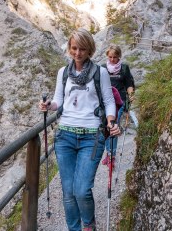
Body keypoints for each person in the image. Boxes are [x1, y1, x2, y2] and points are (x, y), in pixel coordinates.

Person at [39, 28, 121, 231]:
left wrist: (111, 121)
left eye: (82, 49)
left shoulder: (100, 72)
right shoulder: (63, 72)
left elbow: (109, 101)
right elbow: (59, 100)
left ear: (90, 50)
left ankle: (88, 225)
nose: (77, 53)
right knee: (68, 191)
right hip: (65, 135)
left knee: (82, 190)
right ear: (69, 48)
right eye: (74, 48)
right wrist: (49, 106)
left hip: (91, 137)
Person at [101, 44, 135, 167]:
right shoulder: (103, 68)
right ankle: (108, 153)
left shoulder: (124, 68)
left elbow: (129, 84)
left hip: (119, 102)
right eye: (110, 57)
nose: (112, 59)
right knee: (105, 128)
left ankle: (112, 156)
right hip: (104, 103)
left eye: (115, 57)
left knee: (113, 127)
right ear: (107, 56)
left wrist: (131, 95)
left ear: (119, 56)